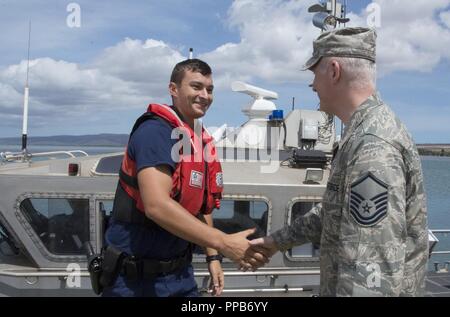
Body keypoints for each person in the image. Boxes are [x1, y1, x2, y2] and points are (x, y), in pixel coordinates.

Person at [249, 27, 429, 297]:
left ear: (333, 71)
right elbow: (331, 213)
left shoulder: (373, 145)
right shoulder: (361, 132)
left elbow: (370, 272)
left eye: (314, 73)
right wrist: (275, 241)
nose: (312, 85)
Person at [102, 58, 267, 297]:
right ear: (173, 89)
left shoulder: (196, 138)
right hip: (136, 281)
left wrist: (213, 256)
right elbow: (156, 205)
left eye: (209, 89)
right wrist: (224, 242)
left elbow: (200, 205)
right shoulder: (156, 132)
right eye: (196, 86)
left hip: (180, 274)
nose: (205, 95)